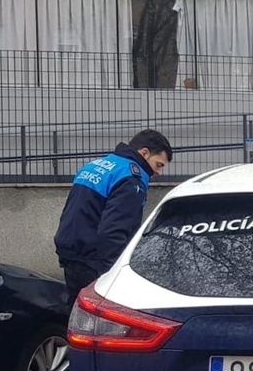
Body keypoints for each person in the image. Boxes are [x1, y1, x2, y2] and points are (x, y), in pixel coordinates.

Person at [54, 129, 173, 304]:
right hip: (94, 260)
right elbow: (114, 231)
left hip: (71, 251)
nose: (158, 172)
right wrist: (114, 272)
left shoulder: (97, 164)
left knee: (76, 312)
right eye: (159, 164)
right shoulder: (132, 178)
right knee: (99, 321)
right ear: (144, 153)